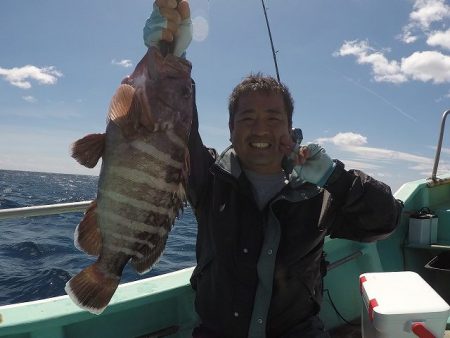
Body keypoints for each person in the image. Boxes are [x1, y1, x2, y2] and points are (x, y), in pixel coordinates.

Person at [143, 1, 403, 337]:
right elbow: (175, 127)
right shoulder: (207, 178)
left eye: (274, 118)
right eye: (247, 119)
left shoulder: (319, 192)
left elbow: (387, 221)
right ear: (231, 130)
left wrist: (335, 177)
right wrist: (168, 55)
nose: (261, 130)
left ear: (289, 129)